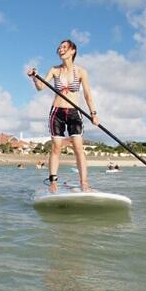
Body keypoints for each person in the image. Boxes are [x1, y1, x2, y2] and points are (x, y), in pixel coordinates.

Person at [28, 39, 98, 192]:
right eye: (59, 47)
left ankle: (84, 183)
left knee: (78, 147)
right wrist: (34, 77)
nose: (61, 49)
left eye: (64, 47)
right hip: (57, 112)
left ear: (73, 51)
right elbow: (40, 87)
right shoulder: (54, 70)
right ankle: (53, 182)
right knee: (56, 148)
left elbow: (87, 95)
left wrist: (93, 113)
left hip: (74, 112)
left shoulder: (81, 72)